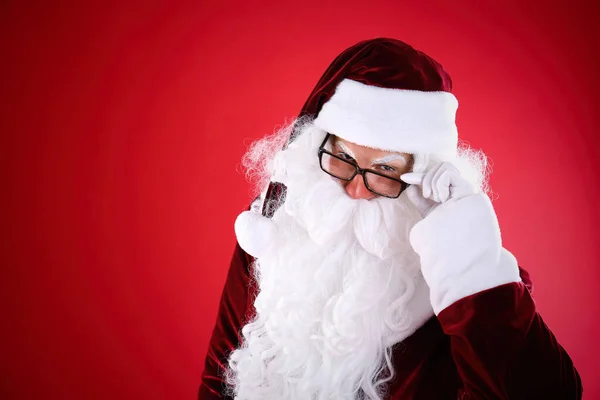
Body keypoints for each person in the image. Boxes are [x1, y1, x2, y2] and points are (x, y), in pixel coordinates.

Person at [199, 38, 582, 399]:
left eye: (384, 171)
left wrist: (468, 258)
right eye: (343, 159)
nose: (357, 189)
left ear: (421, 175)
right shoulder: (271, 237)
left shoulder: (474, 285)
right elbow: (218, 377)